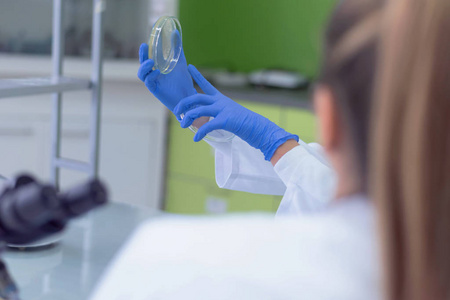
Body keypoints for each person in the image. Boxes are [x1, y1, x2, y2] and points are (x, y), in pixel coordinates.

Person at [90, 0, 450, 299]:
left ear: (328, 116)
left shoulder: (168, 261)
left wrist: (277, 142)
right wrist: (209, 121)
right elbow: (322, 178)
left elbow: (325, 183)